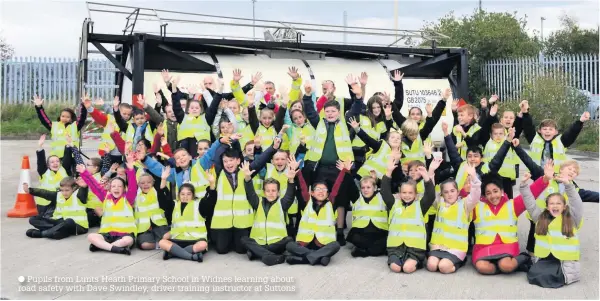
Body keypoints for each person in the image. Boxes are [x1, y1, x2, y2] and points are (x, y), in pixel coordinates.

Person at [302, 80, 358, 246]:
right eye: (327, 111)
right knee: (321, 198)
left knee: (341, 200)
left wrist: (357, 93)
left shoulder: (346, 124)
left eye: (333, 111)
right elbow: (310, 111)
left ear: (339, 112)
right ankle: (322, 229)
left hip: (340, 168)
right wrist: (306, 95)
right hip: (320, 168)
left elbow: (356, 107)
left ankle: (339, 231)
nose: (330, 114)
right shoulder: (319, 123)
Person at [471, 168, 552, 275]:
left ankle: (522, 259)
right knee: (483, 268)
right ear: (485, 195)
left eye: (495, 191)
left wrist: (545, 179)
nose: (493, 196)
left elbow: (530, 193)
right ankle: (502, 266)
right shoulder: (477, 207)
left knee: (506, 265)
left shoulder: (512, 205)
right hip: (483, 247)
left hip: (507, 246)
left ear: (502, 191)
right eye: (488, 193)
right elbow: (463, 202)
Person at [210, 138, 281, 254]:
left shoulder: (245, 171)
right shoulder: (219, 173)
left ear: (238, 161)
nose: (228, 164)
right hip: (223, 222)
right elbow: (215, 156)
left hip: (242, 222)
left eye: (231, 160)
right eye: (225, 161)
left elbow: (260, 161)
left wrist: (273, 148)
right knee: (221, 250)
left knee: (241, 250)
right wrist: (222, 142)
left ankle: (236, 240)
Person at [519, 172, 583, 288]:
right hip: (545, 259)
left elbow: (577, 203)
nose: (555, 206)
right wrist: (523, 185)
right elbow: (530, 203)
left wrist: (568, 185)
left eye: (558, 203)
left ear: (564, 206)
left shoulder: (572, 219)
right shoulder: (540, 217)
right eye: (551, 204)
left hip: (564, 263)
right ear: (547, 207)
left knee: (553, 277)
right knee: (535, 275)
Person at [285, 160, 349, 266]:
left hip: (323, 244)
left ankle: (304, 259)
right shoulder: (307, 201)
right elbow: (302, 187)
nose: (321, 191)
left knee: (336, 245)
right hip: (305, 243)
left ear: (328, 194)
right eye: (318, 189)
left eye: (324, 189)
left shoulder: (331, 203)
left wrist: (344, 171)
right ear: (312, 193)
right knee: (289, 245)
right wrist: (297, 170)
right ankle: (318, 257)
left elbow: (338, 186)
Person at [381, 160, 436, 273]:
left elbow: (430, 195)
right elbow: (385, 192)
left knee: (407, 268)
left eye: (410, 193)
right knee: (395, 268)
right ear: (400, 193)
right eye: (404, 193)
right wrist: (388, 172)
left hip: (415, 247)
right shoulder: (394, 204)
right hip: (396, 246)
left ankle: (416, 262)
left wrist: (426, 176)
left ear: (415, 195)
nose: (407, 196)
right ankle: (397, 260)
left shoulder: (420, 206)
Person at [79, 152, 138, 255]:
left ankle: (103, 246)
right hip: (107, 233)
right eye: (113, 186)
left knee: (128, 241)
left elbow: (133, 185)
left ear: (124, 189)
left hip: (125, 234)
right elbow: (94, 185)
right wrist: (84, 172)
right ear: (110, 188)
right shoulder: (105, 197)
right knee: (91, 236)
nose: (116, 188)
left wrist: (130, 169)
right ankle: (116, 249)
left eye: (119, 186)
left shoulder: (128, 199)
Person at [241, 160, 297, 266]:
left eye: (273, 190)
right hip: (259, 242)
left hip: (276, 243)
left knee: (289, 240)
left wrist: (291, 179)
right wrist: (248, 178)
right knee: (244, 239)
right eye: (268, 191)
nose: (271, 193)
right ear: (264, 192)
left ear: (278, 192)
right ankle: (272, 256)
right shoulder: (258, 202)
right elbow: (250, 193)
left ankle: (258, 254)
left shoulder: (282, 203)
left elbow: (290, 194)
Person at [427, 164, 481, 274]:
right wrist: (431, 171)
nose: (449, 194)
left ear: (457, 191)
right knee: (432, 266)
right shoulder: (439, 203)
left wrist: (474, 177)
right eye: (446, 192)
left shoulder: (465, 204)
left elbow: (475, 195)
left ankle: (460, 262)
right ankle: (442, 260)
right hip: (438, 246)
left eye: (452, 191)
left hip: (456, 248)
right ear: (441, 194)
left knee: (443, 267)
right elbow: (430, 192)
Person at [159, 177, 216, 262]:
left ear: (193, 195)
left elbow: (211, 200)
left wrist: (212, 184)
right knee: (162, 242)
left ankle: (173, 253)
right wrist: (163, 180)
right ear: (179, 195)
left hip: (195, 239)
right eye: (182, 194)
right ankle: (191, 257)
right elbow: (163, 199)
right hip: (178, 239)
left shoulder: (199, 205)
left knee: (203, 245)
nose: (185, 197)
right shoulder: (174, 205)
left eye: (188, 194)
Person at [521, 111, 590, 172]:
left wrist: (580, 121)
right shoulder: (534, 139)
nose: (547, 131)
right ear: (539, 131)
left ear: (556, 132)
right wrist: (525, 113)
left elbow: (572, 132)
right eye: (544, 129)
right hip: (538, 174)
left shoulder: (561, 141)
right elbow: (528, 127)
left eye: (550, 129)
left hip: (557, 175)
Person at [23, 177, 89, 239]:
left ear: (74, 189)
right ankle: (57, 232)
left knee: (69, 221)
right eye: (62, 190)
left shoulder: (79, 196)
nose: (64, 193)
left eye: (67, 190)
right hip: (61, 222)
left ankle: (43, 234)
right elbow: (44, 193)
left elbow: (83, 193)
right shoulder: (59, 195)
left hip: (78, 226)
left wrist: (84, 187)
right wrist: (30, 190)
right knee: (33, 219)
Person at [346, 176, 388, 257]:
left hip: (378, 231)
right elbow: (350, 186)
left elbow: (387, 187)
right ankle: (375, 250)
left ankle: (365, 251)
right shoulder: (357, 197)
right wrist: (346, 171)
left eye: (368, 187)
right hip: (361, 232)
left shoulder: (382, 196)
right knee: (355, 238)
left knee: (388, 240)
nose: (365, 190)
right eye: (363, 188)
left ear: (375, 188)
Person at [34, 134, 73, 218]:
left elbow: (67, 157)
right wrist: (40, 147)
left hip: (60, 201)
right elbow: (40, 161)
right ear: (48, 165)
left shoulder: (64, 170)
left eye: (57, 161)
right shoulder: (44, 171)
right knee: (44, 219)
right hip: (44, 203)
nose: (55, 163)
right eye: (52, 162)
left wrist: (68, 145)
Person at [134, 174, 169, 250]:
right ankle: (160, 244)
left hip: (159, 224)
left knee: (168, 236)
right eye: (142, 183)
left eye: (148, 182)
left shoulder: (157, 192)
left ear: (153, 183)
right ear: (138, 184)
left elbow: (163, 192)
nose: (145, 184)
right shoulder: (136, 195)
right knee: (145, 245)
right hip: (144, 228)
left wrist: (163, 179)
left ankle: (163, 242)